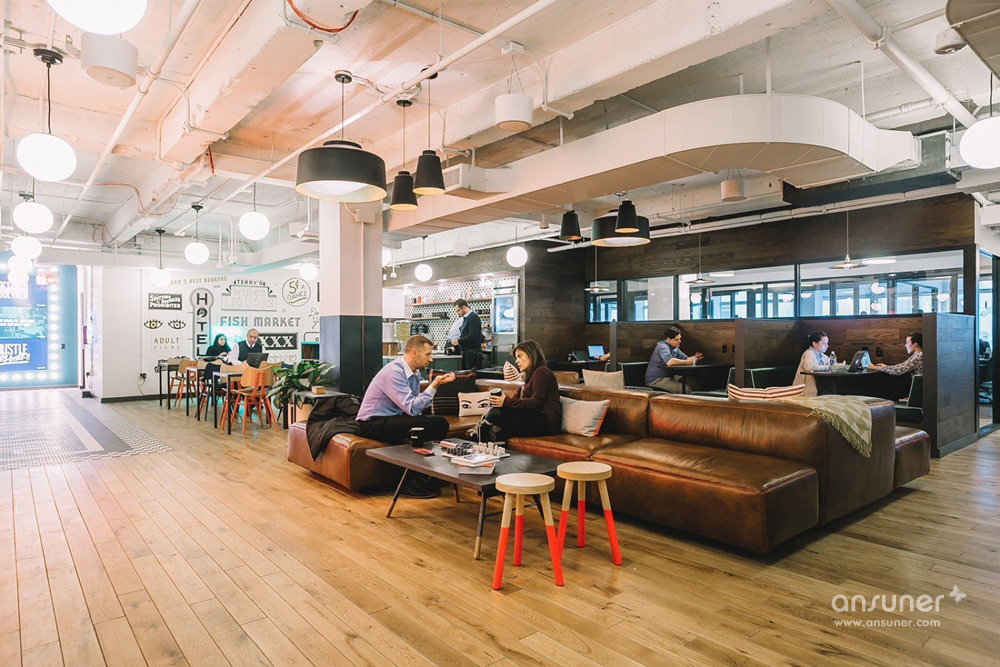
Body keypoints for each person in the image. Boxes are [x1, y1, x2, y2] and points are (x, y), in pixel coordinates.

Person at [482, 340, 561, 439]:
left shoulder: (542, 372)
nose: (516, 361)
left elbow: (536, 402)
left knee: (495, 413)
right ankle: (482, 437)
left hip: (546, 422)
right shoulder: (531, 375)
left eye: (520, 356)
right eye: (516, 358)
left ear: (532, 355)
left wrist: (506, 402)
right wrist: (506, 402)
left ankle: (478, 433)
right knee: (495, 430)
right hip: (535, 418)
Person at [644, 326, 703, 393]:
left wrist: (695, 358)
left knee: (694, 383)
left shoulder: (675, 348)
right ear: (669, 340)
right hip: (656, 380)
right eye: (676, 340)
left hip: (670, 377)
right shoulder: (662, 346)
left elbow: (686, 358)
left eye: (680, 339)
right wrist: (687, 362)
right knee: (686, 390)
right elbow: (669, 362)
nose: (680, 341)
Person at [793, 331, 831, 397]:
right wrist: (825, 367)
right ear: (814, 344)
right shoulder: (808, 353)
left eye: (827, 343)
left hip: (818, 387)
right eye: (824, 343)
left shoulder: (822, 356)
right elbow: (809, 367)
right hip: (804, 392)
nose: (827, 346)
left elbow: (830, 364)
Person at [451, 299, 483, 370]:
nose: (457, 313)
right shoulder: (466, 318)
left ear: (464, 307)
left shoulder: (473, 318)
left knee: (471, 375)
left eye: (458, 310)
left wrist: (458, 341)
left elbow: (473, 336)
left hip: (472, 354)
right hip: (467, 353)